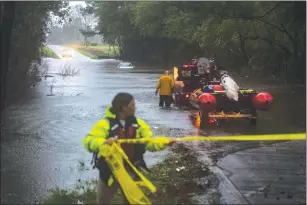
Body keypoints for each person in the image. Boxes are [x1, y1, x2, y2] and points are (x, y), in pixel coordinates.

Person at [83, 92, 178, 204]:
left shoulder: (139, 125)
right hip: (110, 171)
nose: (135, 108)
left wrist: (164, 142)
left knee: (132, 201)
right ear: (123, 108)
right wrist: (104, 143)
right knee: (103, 200)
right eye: (132, 105)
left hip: (132, 169)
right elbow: (88, 142)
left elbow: (150, 143)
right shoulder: (104, 124)